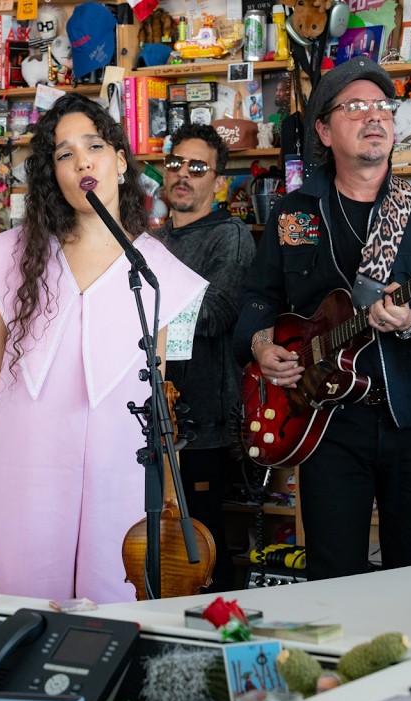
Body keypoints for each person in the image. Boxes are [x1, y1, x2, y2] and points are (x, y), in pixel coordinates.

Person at [0, 94, 207, 603]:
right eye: (64, 154)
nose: (82, 160)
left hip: (120, 496)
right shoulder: (19, 258)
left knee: (114, 637)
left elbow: (161, 407)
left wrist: (172, 517)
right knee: (19, 628)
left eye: (95, 146)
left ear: (120, 162)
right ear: (54, 177)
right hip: (24, 488)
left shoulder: (159, 273)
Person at [234, 56, 411, 579]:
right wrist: (259, 345)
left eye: (383, 107)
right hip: (328, 422)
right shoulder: (294, 211)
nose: (375, 117)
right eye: (356, 107)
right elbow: (258, 298)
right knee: (332, 574)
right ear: (323, 128)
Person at [155, 123, 256, 593]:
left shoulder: (229, 235)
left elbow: (215, 315)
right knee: (154, 547)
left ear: (218, 183)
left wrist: (147, 293)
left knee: (203, 551)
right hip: (150, 419)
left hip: (204, 427)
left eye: (198, 168)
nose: (183, 175)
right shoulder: (149, 241)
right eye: (175, 163)